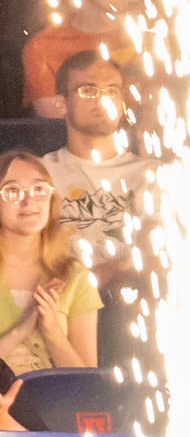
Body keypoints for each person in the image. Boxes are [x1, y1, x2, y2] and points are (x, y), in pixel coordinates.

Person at [44, 49, 150, 280]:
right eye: (88, 91)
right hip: (59, 305)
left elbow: (155, 255)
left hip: (131, 297)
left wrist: (99, 276)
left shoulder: (152, 174)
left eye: (111, 91)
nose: (101, 100)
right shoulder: (42, 174)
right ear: (61, 104)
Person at [0, 151, 100, 375]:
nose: (29, 200)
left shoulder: (74, 274)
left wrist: (52, 331)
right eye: (13, 190)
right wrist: (22, 329)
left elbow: (87, 386)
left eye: (39, 189)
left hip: (53, 405)